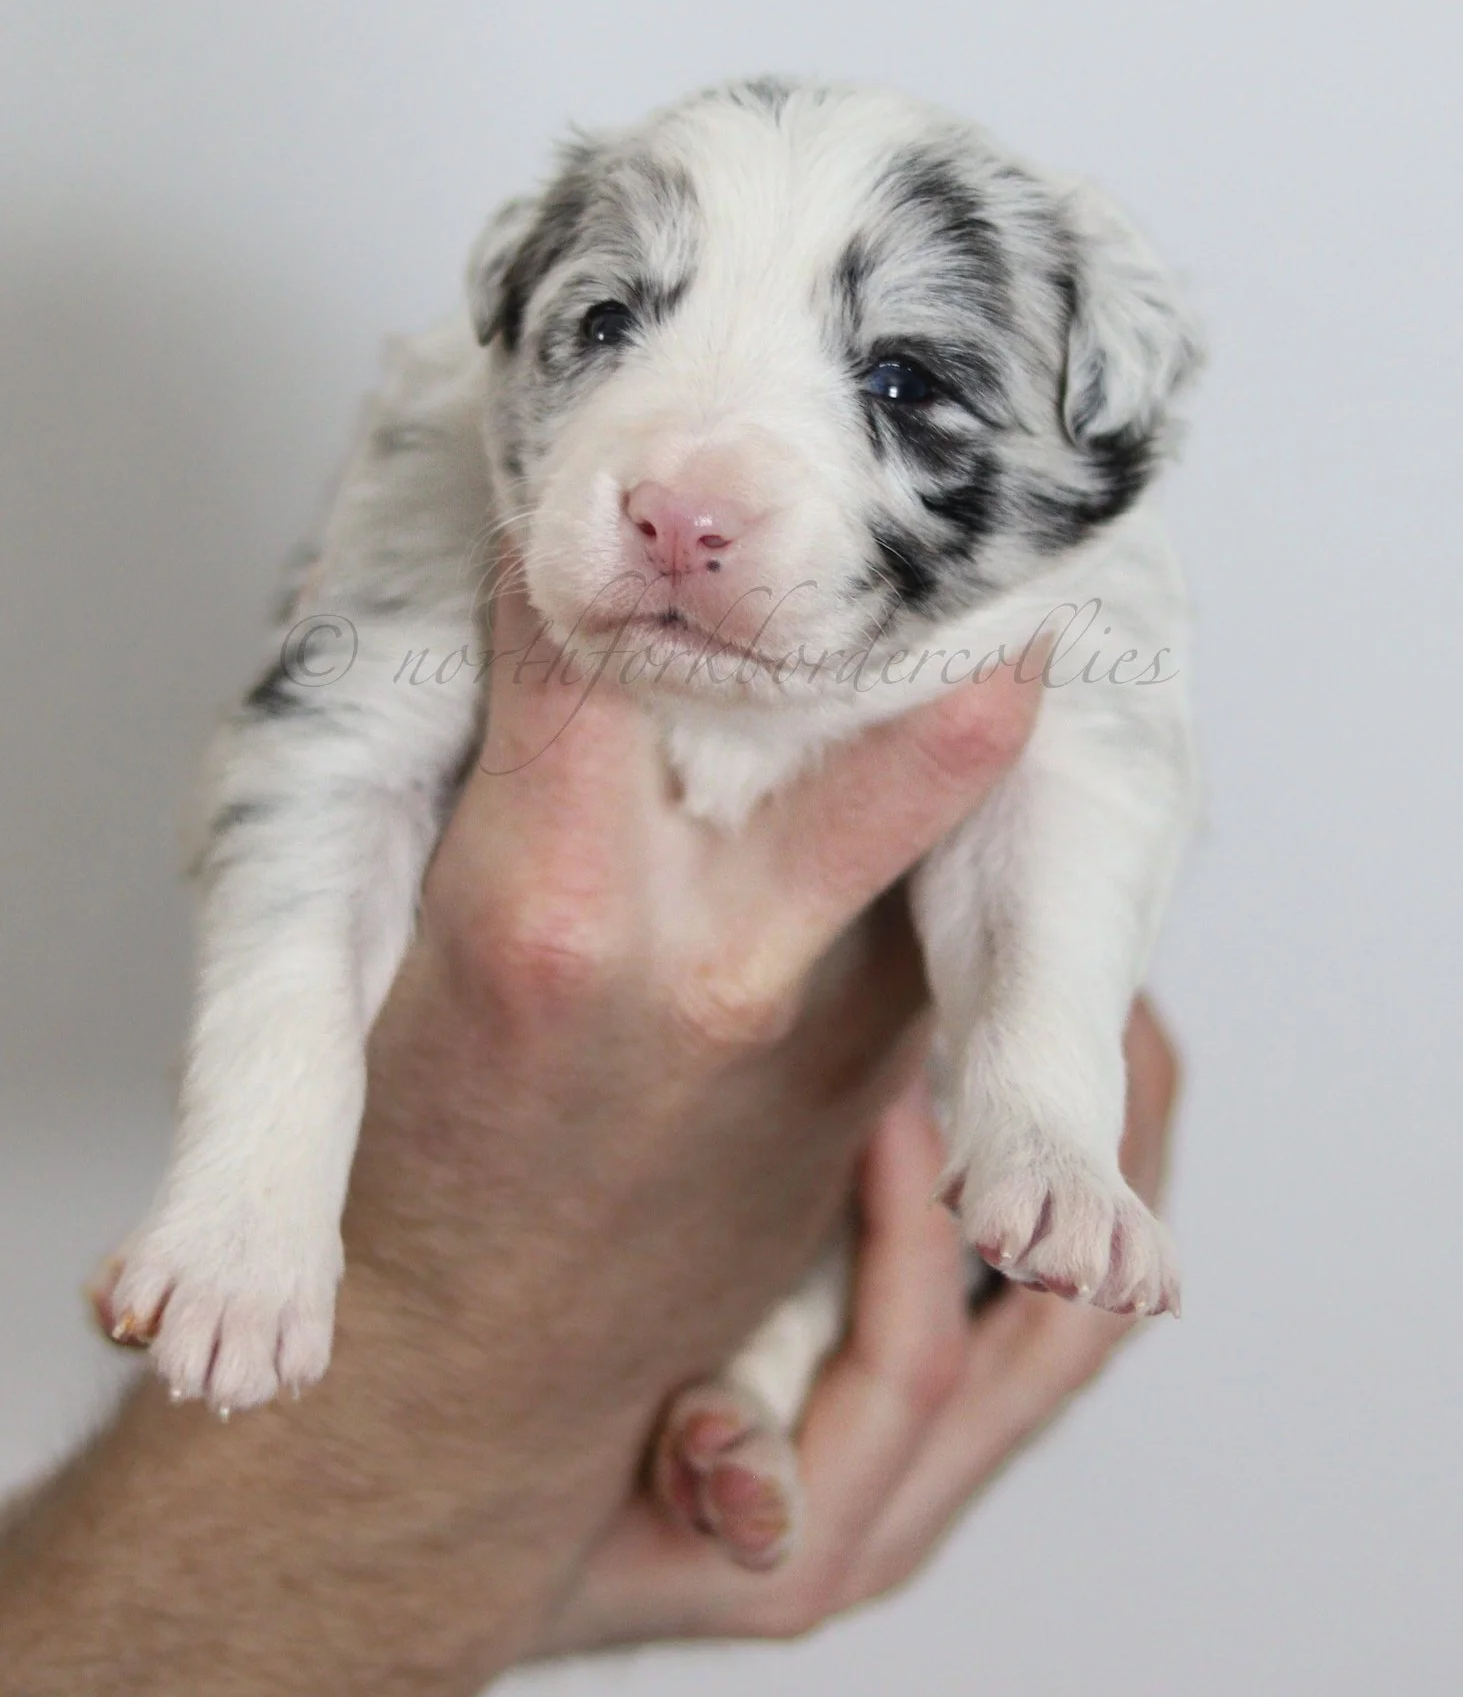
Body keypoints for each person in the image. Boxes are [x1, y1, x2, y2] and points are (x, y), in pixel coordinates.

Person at [0, 574, 1179, 1695]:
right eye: (612, 338)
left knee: (902, 1159)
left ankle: (758, 1376)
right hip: (450, 1196)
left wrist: (1043, 1114)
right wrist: (418, 1499)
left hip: (845, 1185)